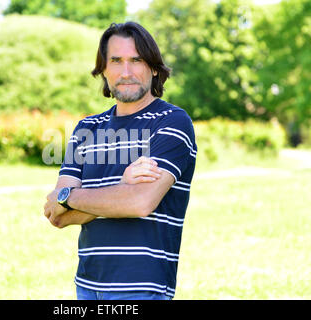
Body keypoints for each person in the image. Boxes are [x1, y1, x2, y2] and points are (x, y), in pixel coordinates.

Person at [44, 21, 197, 300]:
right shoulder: (86, 129)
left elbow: (139, 203)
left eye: (136, 60)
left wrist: (68, 196)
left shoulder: (172, 122)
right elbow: (57, 215)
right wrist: (122, 186)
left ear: (153, 67)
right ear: (104, 69)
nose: (125, 72)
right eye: (116, 61)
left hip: (141, 289)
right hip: (87, 286)